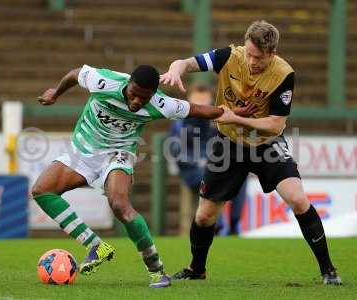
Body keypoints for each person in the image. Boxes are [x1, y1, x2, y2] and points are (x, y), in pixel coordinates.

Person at [160, 20, 341, 285]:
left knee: (299, 200)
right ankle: (197, 270)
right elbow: (186, 63)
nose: (252, 61)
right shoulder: (228, 57)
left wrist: (235, 117)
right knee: (204, 215)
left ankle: (329, 270)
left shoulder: (283, 74)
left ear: (273, 53)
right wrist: (176, 69)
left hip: (266, 144)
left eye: (259, 57)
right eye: (249, 53)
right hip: (228, 144)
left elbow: (275, 124)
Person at [33, 64, 226, 288]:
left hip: (119, 153)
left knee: (120, 204)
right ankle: (96, 246)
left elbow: (199, 110)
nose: (136, 102)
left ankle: (157, 271)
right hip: (84, 150)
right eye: (134, 94)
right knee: (41, 191)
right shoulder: (104, 82)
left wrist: (233, 113)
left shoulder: (160, 103)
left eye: (144, 99)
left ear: (152, 95)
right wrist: (56, 93)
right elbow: (75, 74)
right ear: (128, 84)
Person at [168, 83, 248, 235]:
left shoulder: (219, 121)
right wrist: (199, 161)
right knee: (210, 176)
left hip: (215, 167)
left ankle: (234, 225)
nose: (201, 107)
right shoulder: (180, 123)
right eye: (197, 103)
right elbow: (176, 151)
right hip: (193, 172)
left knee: (240, 177)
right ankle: (216, 223)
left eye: (205, 103)